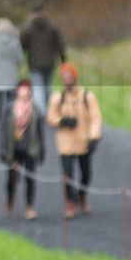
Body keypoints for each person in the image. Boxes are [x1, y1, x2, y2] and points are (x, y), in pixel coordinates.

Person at [45, 62, 102, 219]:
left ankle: (81, 196)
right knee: (67, 174)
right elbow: (50, 116)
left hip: (83, 140)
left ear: (75, 78)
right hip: (65, 142)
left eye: (69, 77)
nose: (67, 80)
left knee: (86, 173)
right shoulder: (58, 98)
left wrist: (94, 137)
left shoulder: (87, 97)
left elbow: (95, 117)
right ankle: (70, 202)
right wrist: (62, 121)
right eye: (64, 77)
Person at [0, 80, 44, 220]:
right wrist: (3, 150)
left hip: (30, 148)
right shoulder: (10, 108)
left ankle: (29, 206)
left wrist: (41, 149)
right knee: (12, 179)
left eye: (27, 89)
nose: (25, 92)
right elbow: (4, 130)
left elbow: (39, 131)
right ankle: (10, 201)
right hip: (14, 149)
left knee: (30, 179)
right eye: (22, 89)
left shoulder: (35, 109)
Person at [21, 3, 67, 115]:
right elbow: (60, 45)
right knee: (47, 87)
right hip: (49, 62)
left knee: (37, 88)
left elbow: (23, 43)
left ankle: (41, 113)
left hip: (34, 63)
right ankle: (50, 109)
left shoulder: (29, 28)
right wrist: (63, 60)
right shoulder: (52, 27)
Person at [0, 18, 24, 119]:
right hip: (10, 70)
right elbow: (19, 57)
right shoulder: (15, 42)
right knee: (10, 93)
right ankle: (10, 112)